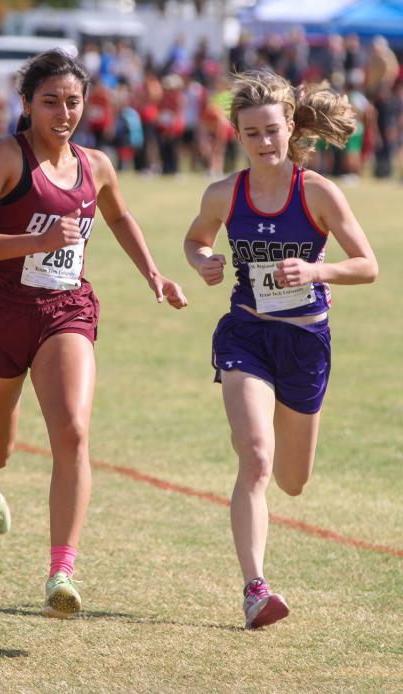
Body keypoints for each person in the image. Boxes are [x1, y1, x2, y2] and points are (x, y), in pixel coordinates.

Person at [0, 50, 186, 619]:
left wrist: (152, 272)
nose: (63, 112)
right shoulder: (6, 156)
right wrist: (35, 241)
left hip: (65, 311)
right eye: (50, 101)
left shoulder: (96, 165)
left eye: (73, 102)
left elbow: (120, 216)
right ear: (26, 103)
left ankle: (62, 570)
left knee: (74, 431)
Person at [183, 70, 378, 629]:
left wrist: (316, 268)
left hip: (305, 341)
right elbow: (196, 238)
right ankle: (255, 589)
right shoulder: (224, 194)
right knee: (257, 456)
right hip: (246, 332)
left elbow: (368, 265)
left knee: (293, 479)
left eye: (272, 131)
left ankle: (259, 574)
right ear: (238, 136)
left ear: (290, 127)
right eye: (251, 134)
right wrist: (204, 261)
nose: (264, 143)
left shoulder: (316, 191)